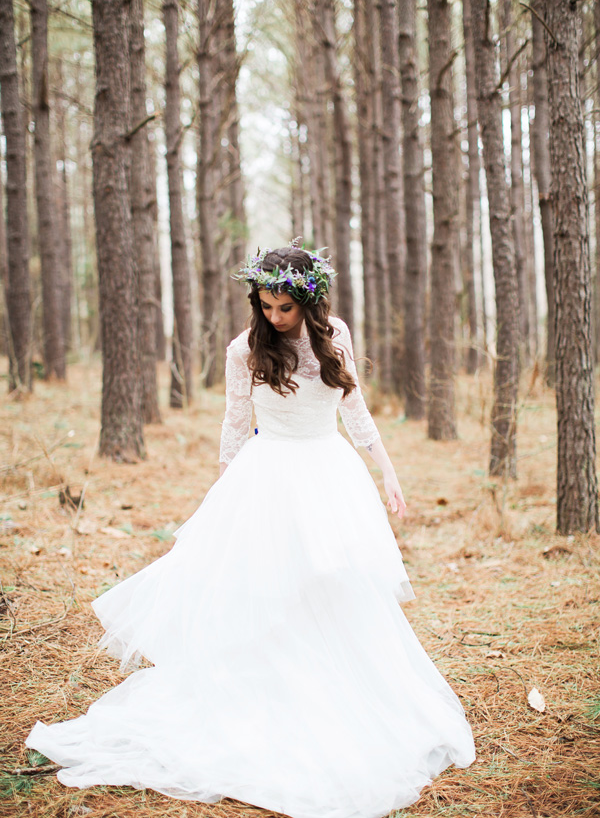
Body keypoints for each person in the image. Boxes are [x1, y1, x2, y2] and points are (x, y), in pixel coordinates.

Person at [26, 243, 475, 818]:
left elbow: (354, 408)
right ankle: (271, 688)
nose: (273, 317)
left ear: (308, 303)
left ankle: (332, 690)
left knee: (333, 585)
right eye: (264, 305)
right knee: (268, 586)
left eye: (284, 307)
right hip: (268, 477)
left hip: (330, 473)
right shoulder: (246, 349)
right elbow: (235, 421)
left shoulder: (334, 335)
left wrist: (386, 470)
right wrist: (223, 491)